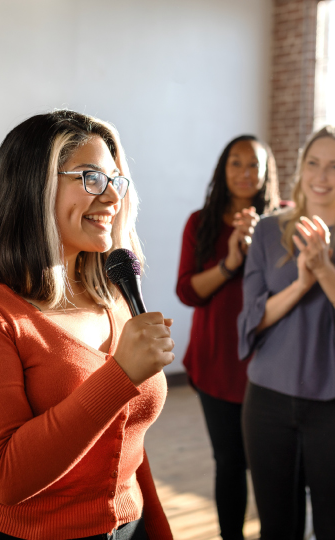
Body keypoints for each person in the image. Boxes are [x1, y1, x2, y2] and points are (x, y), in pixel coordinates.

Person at [0, 110, 175, 540]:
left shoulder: (114, 296)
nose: (111, 197)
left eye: (114, 180)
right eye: (89, 177)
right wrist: (120, 375)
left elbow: (127, 449)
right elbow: (5, 478)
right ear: (33, 188)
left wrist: (155, 529)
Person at [176, 135, 280, 540]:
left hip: (269, 363)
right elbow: (187, 291)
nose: (244, 173)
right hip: (216, 361)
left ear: (267, 171)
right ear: (223, 170)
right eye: (235, 163)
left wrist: (261, 246)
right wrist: (231, 262)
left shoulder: (283, 220)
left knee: (274, 465)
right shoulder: (199, 223)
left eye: (253, 164)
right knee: (230, 461)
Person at [238, 126, 335, 540]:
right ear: (301, 168)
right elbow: (251, 319)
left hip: (331, 405)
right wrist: (301, 283)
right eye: (313, 163)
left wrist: (325, 269)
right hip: (267, 401)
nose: (322, 176)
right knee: (277, 526)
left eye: (334, 167)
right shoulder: (267, 232)